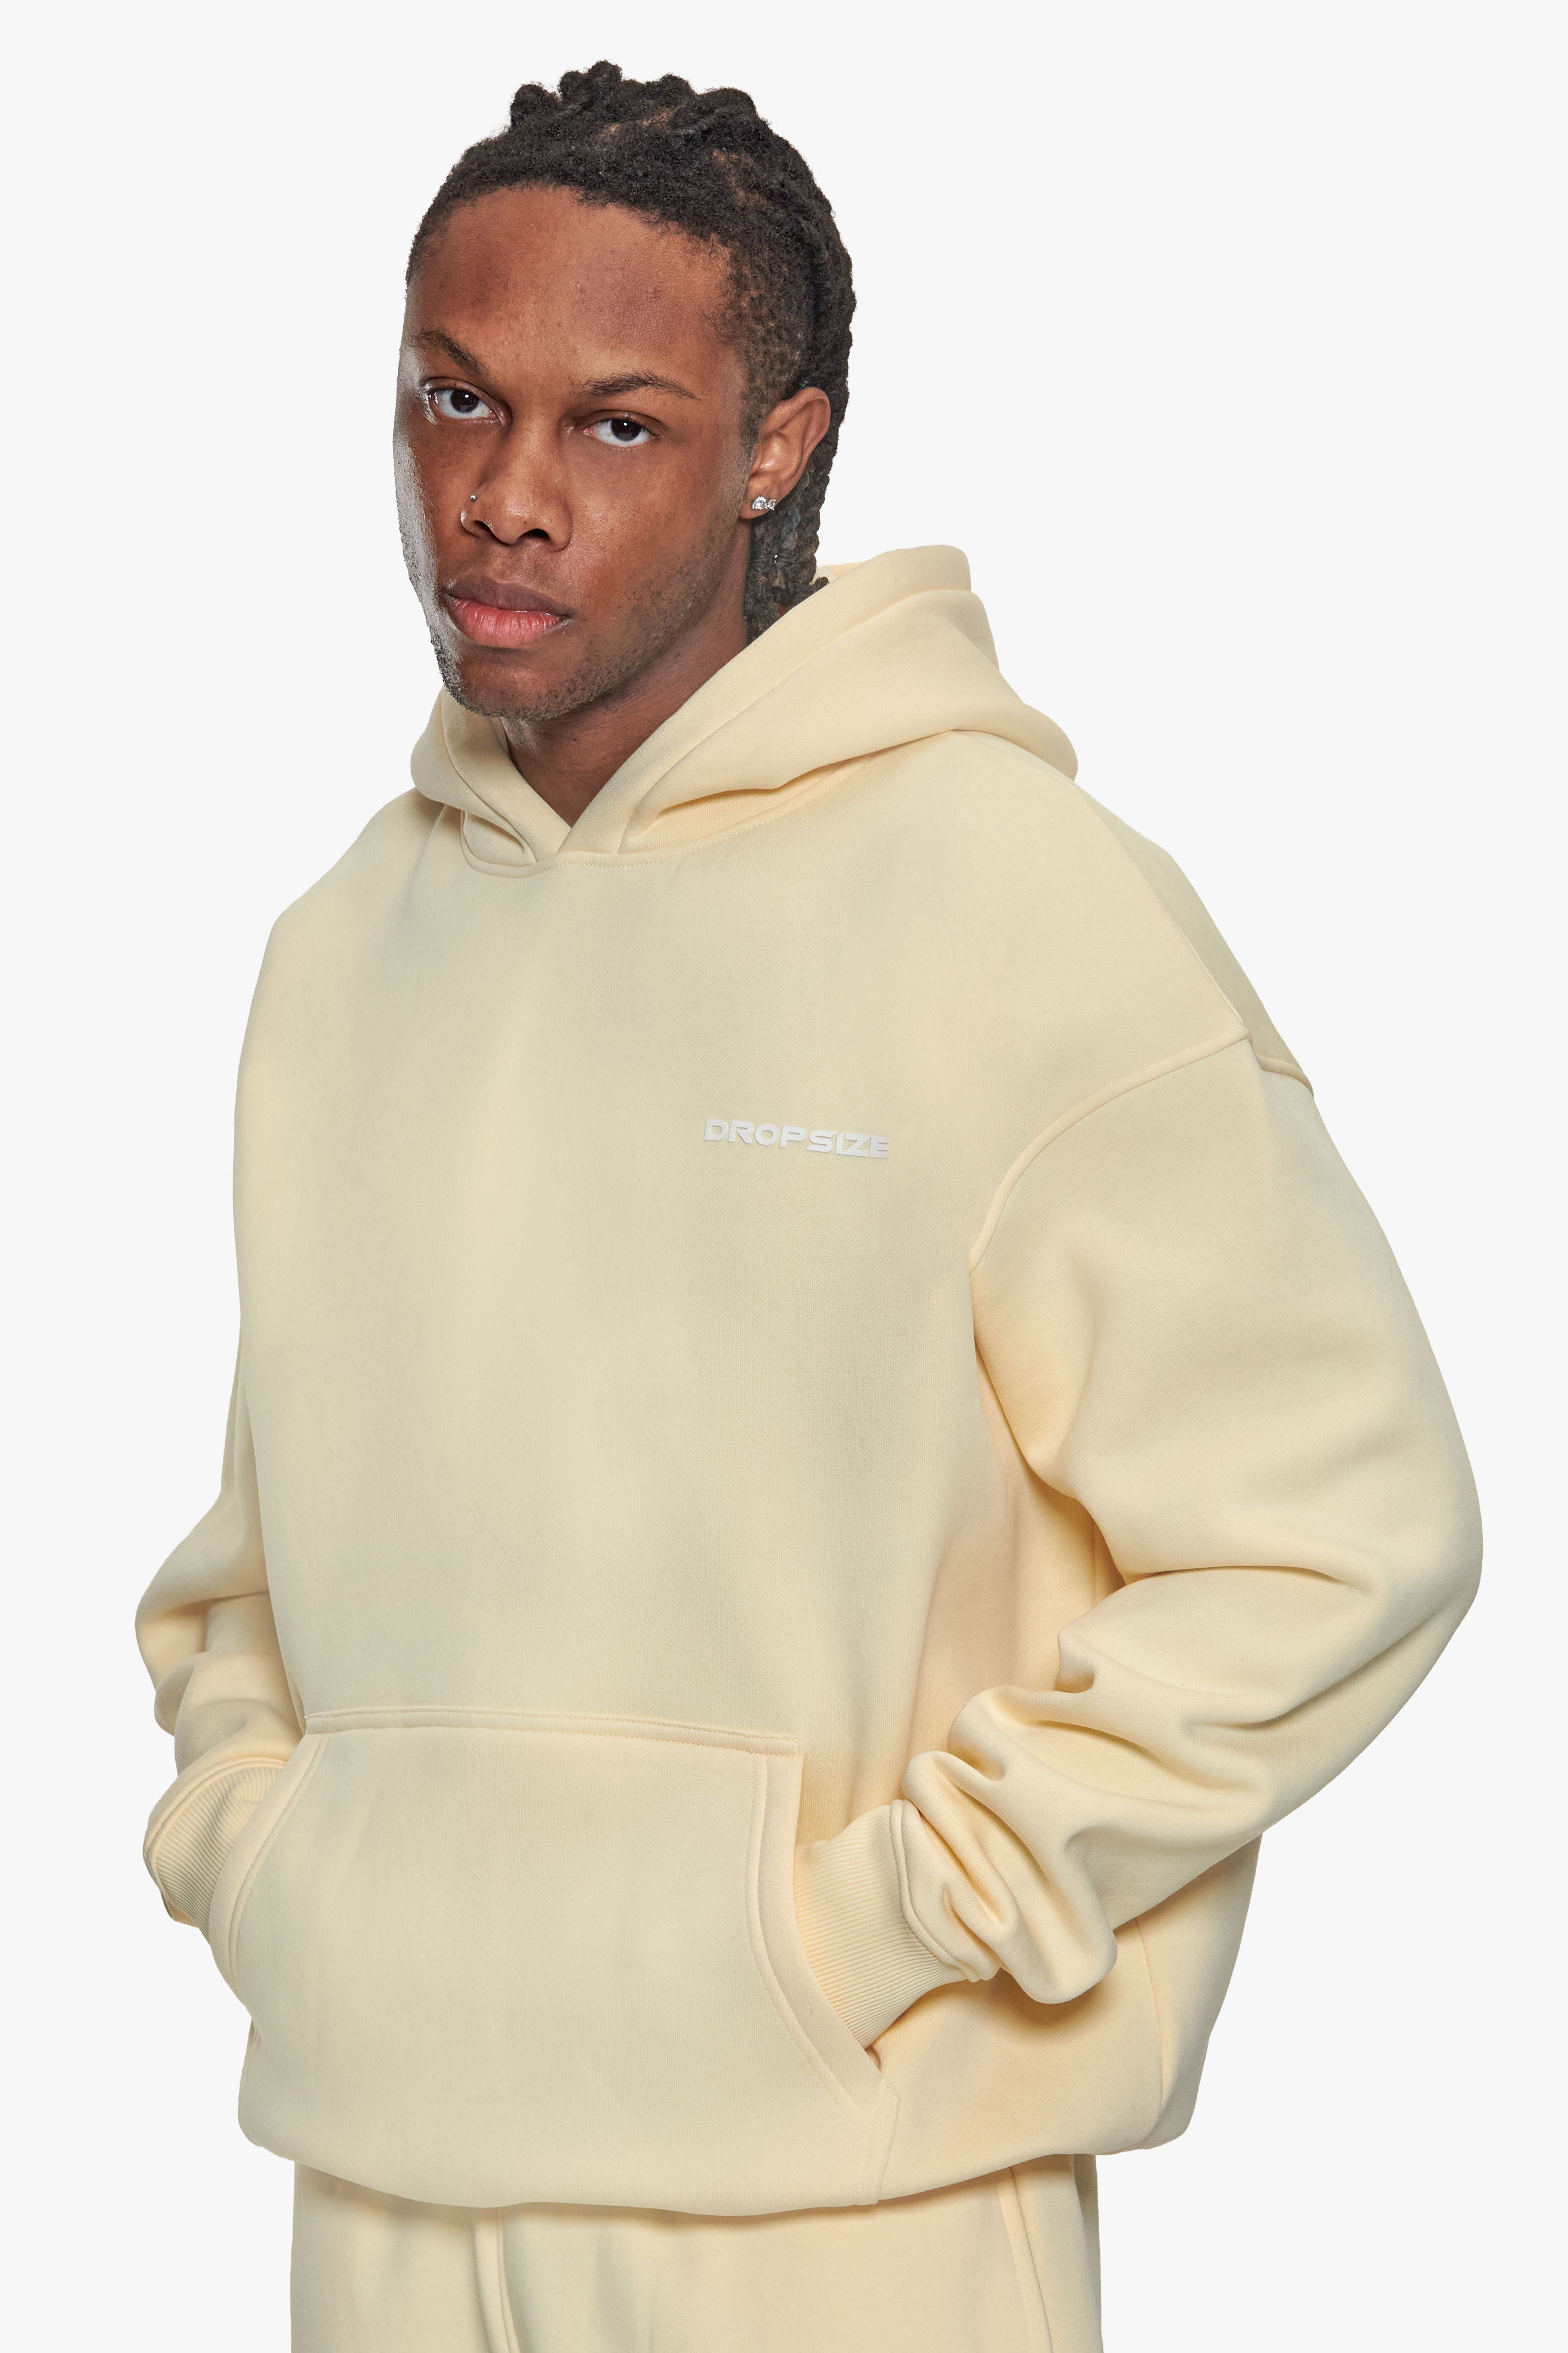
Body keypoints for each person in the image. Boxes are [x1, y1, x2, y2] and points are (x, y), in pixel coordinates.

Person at [136, 61, 1481, 2353]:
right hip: (383, 2190)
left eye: (615, 423)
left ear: (776, 445)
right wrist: (269, 1856)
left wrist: (870, 1926)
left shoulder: (1014, 907)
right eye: (453, 399)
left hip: (844, 2215)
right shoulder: (343, 947)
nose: (502, 495)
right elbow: (261, 1570)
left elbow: (1341, 1533)